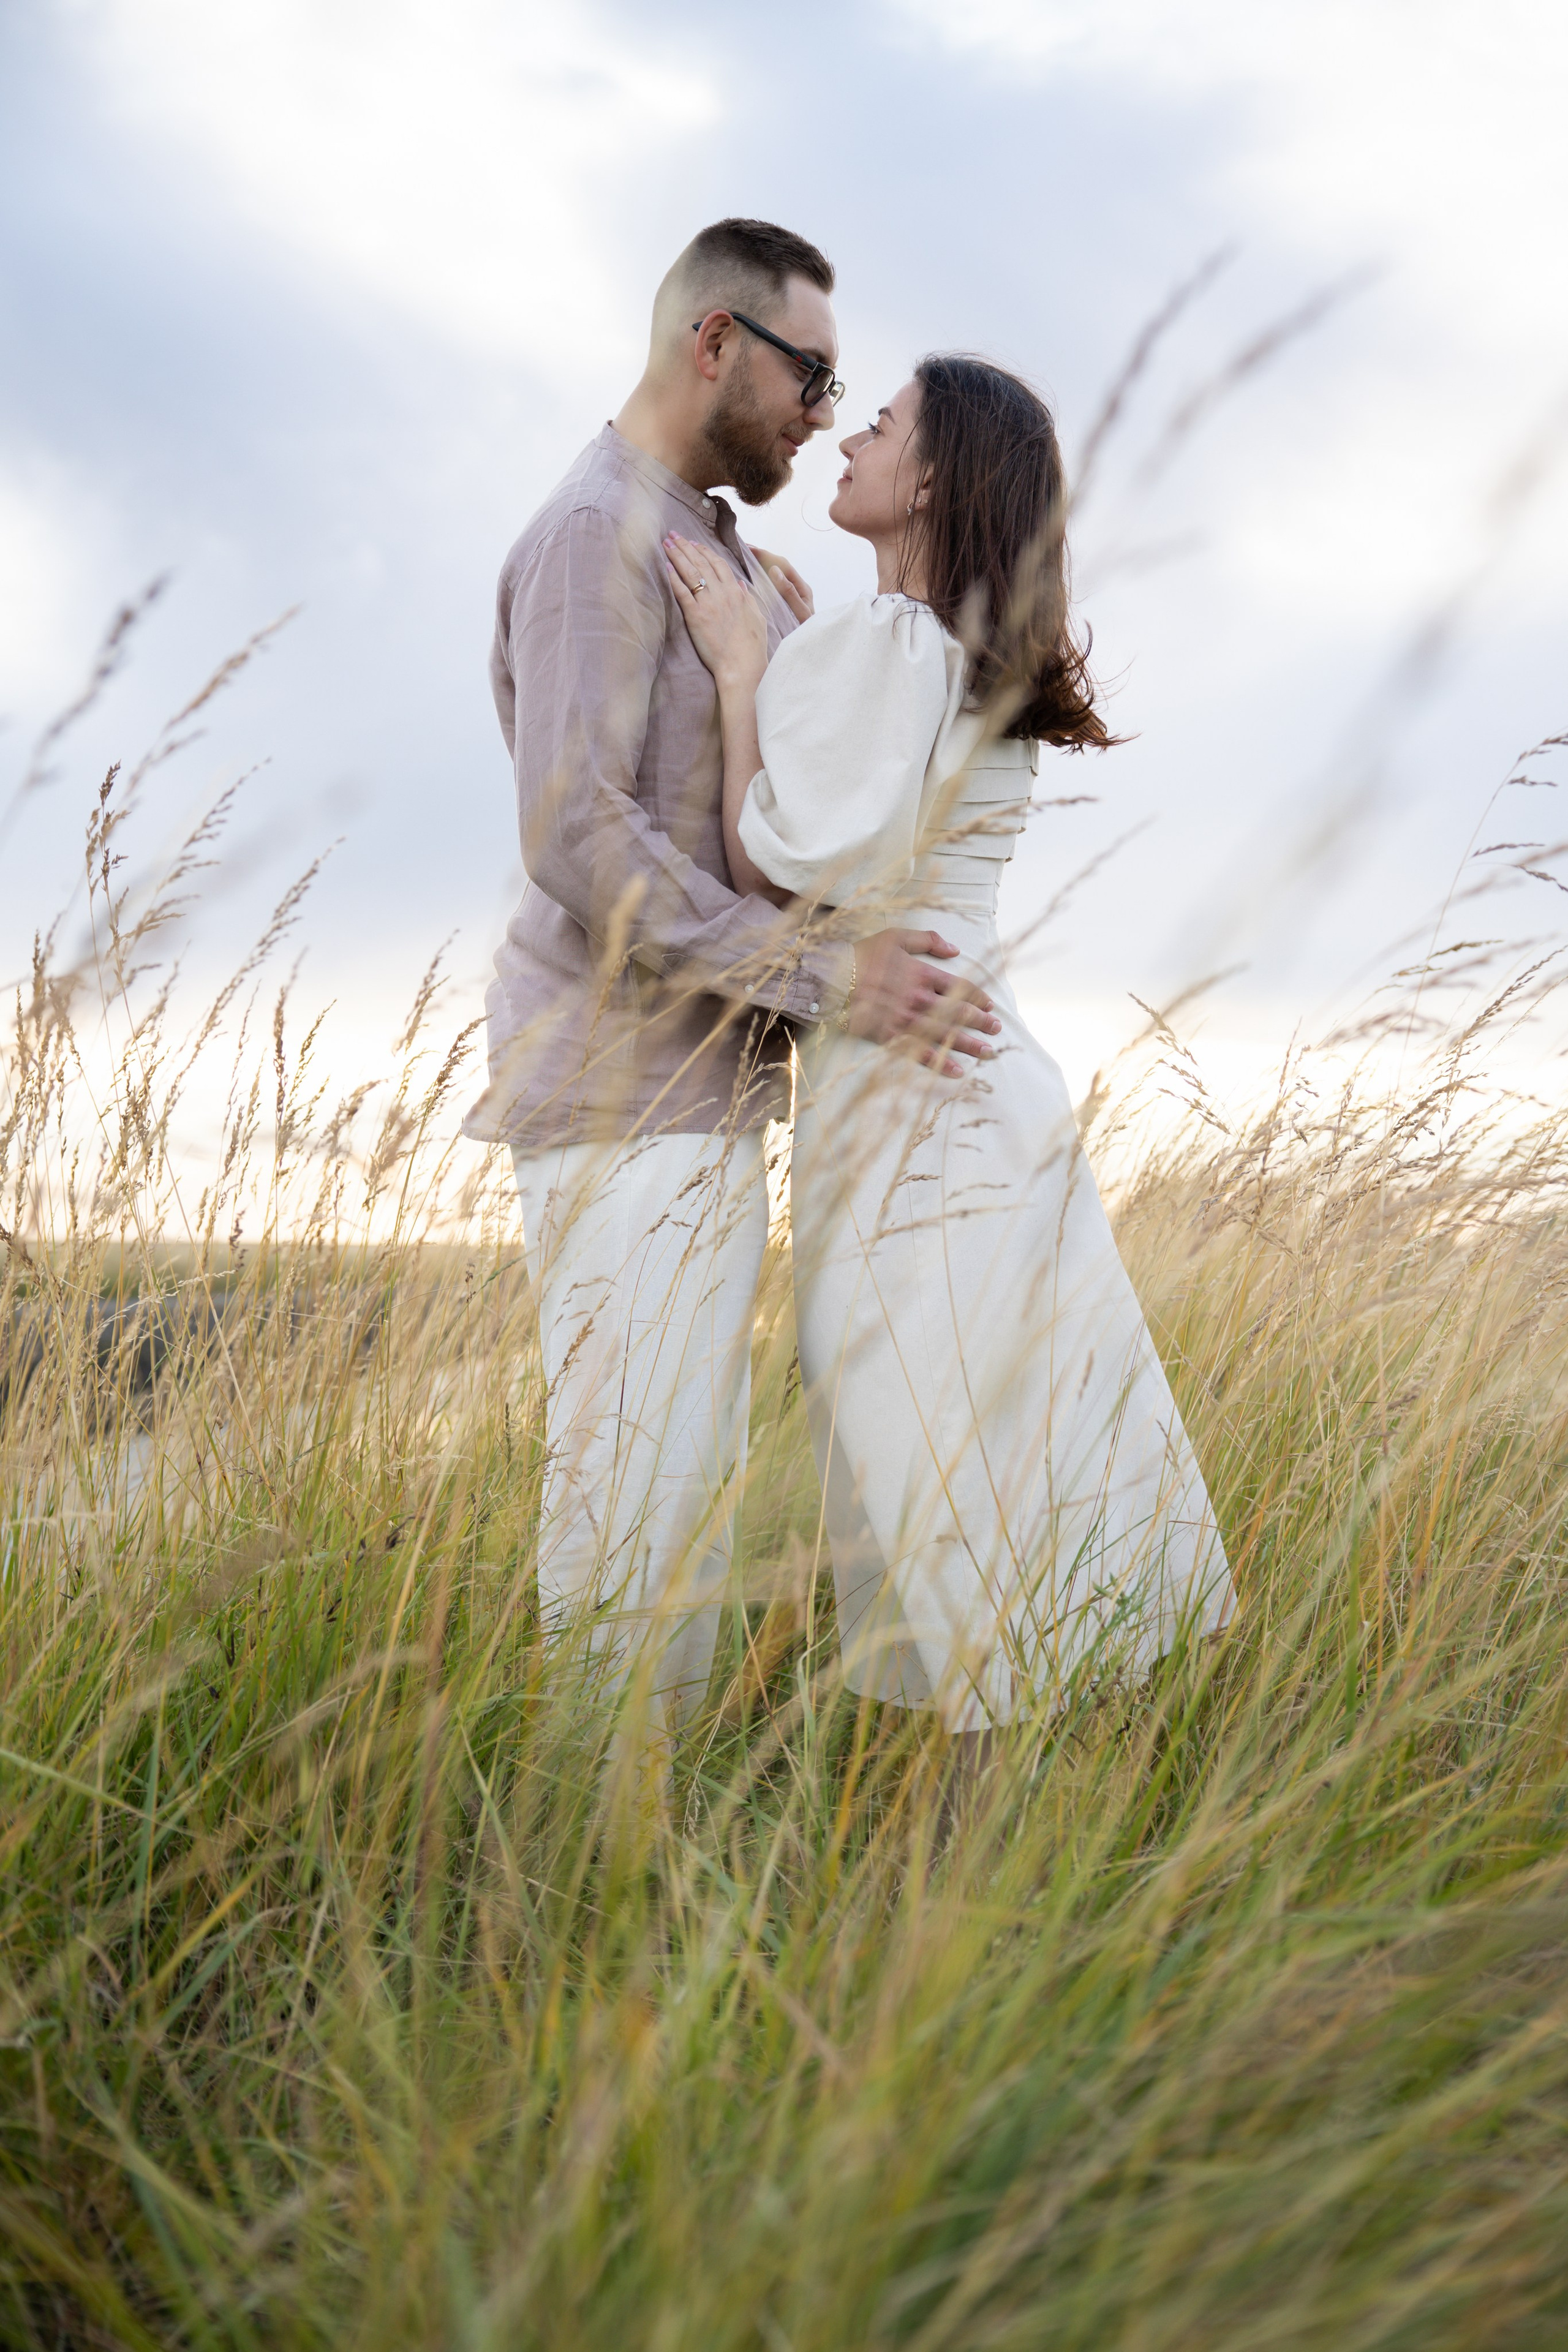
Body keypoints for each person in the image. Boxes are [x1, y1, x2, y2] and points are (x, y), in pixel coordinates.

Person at [462, 222, 1000, 1747]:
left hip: (693, 1100)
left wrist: (779, 645)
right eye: (809, 375)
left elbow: (753, 813)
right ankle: (593, 1872)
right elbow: (574, 831)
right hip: (622, 1095)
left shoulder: (707, 546)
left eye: (839, 389)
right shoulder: (596, 538)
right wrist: (819, 975)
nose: (823, 412)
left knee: (671, 1489)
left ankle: (634, 1843)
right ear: (715, 342)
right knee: (633, 1504)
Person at [665, 353, 1235, 1747]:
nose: (849, 438)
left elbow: (771, 865)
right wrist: (802, 645)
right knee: (1003, 1470)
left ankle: (970, 1892)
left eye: (882, 424)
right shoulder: (958, 653)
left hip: (912, 1099)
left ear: (929, 479)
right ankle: (1011, 1869)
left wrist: (745, 672)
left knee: (935, 1480)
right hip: (979, 1088)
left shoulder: (891, 648)